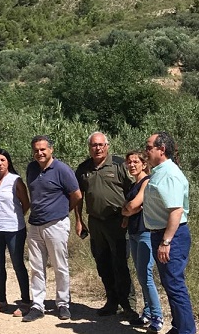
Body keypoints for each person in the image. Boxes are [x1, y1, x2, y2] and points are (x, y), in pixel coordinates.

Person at [74, 132, 136, 319]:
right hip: (95, 223)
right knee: (102, 263)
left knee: (120, 263)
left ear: (107, 146)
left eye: (101, 145)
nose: (98, 148)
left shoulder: (119, 165)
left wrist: (128, 215)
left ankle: (129, 305)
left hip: (118, 222)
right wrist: (78, 220)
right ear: (89, 147)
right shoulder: (83, 168)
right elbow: (78, 197)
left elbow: (133, 191)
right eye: (94, 145)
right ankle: (112, 302)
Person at [22, 135, 82, 322]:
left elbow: (77, 195)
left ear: (51, 150)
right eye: (36, 150)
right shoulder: (31, 168)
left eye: (43, 149)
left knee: (60, 266)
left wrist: (63, 211)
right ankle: (37, 304)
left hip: (56, 224)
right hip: (35, 224)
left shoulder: (62, 169)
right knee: (36, 267)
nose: (39, 153)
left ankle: (63, 303)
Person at [144, 132, 196, 334]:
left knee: (175, 285)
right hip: (160, 233)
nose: (146, 151)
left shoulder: (170, 174)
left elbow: (176, 210)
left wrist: (166, 241)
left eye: (149, 147)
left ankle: (186, 331)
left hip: (172, 236)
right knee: (170, 284)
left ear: (161, 149)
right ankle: (179, 327)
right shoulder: (158, 171)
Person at [0, 149, 31, 317]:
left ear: (8, 162)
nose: (0, 163)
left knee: (18, 264)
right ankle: (1, 301)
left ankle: (25, 302)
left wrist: (15, 217)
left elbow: (26, 204)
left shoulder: (16, 181)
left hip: (14, 230)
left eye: (3, 160)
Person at [121, 150, 163, 332]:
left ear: (144, 164)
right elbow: (129, 209)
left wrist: (129, 209)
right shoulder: (134, 184)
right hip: (135, 232)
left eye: (136, 161)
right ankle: (147, 312)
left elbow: (131, 205)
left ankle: (157, 316)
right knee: (140, 274)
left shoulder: (147, 181)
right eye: (129, 162)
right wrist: (129, 210)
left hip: (146, 232)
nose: (132, 165)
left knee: (145, 275)